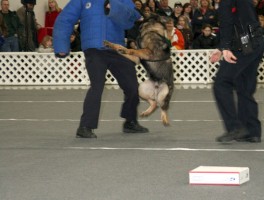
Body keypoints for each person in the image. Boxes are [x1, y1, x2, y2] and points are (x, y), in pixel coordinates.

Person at [53, 0, 149, 138]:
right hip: (94, 49)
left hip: (117, 48)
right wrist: (62, 46)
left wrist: (114, 7)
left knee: (132, 86)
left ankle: (130, 122)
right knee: (97, 86)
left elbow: (133, 17)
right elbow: (64, 20)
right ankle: (85, 127)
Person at [210, 0, 264, 143]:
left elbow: (227, 21)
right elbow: (235, 20)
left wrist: (226, 47)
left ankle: (235, 128)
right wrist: (221, 47)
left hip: (242, 46)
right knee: (245, 88)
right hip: (256, 43)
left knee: (221, 83)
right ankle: (253, 131)